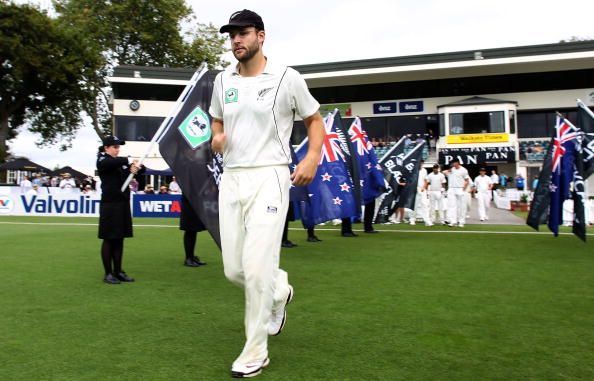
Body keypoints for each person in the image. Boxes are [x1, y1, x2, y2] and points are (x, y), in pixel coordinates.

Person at [209, 9, 325, 378]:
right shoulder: (222, 80)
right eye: (231, 36)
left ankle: (255, 351)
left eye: (242, 34)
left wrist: (312, 157)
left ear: (261, 36)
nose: (236, 41)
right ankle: (280, 290)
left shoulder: (286, 78)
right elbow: (217, 118)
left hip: (271, 177)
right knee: (234, 270)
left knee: (257, 269)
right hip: (232, 178)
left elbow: (314, 120)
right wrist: (217, 137)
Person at [96, 135, 144, 284]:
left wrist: (137, 168)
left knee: (120, 238)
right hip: (110, 205)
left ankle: (118, 271)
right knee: (109, 239)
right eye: (115, 147)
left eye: (119, 147)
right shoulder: (102, 160)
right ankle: (108, 273)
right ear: (106, 148)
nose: (118, 150)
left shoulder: (119, 162)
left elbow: (138, 170)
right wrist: (128, 161)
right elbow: (109, 164)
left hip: (122, 203)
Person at [179, 195, 207, 267]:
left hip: (195, 203)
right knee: (190, 230)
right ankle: (188, 258)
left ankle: (191, 257)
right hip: (189, 204)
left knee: (193, 230)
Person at [445, 159, 469, 227]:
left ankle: (461, 221)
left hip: (460, 188)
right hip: (451, 188)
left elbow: (467, 180)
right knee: (452, 206)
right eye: (452, 163)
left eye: (454, 163)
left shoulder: (463, 170)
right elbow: (443, 172)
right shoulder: (451, 169)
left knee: (461, 206)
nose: (453, 164)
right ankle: (453, 221)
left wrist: (463, 188)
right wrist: (449, 170)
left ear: (457, 163)